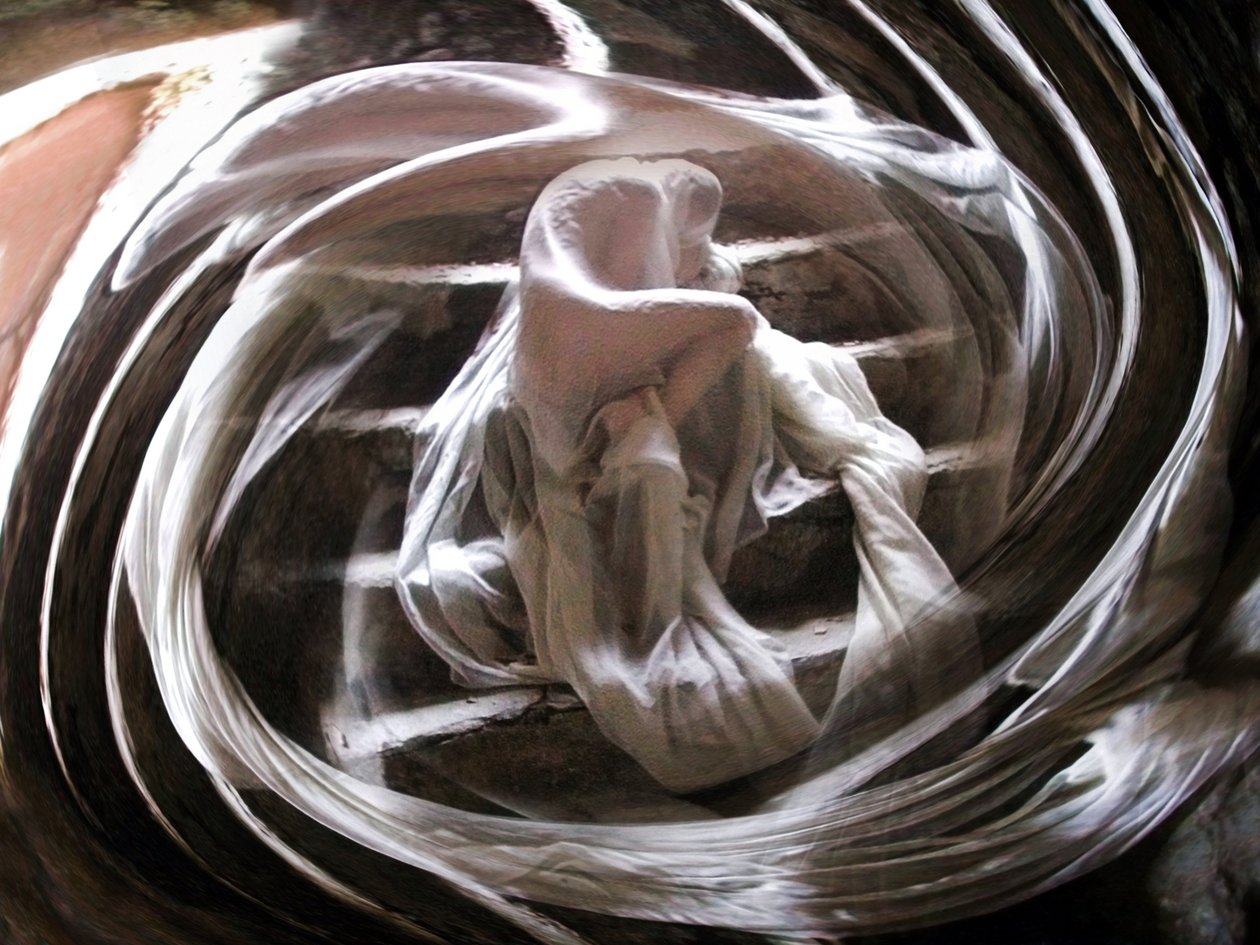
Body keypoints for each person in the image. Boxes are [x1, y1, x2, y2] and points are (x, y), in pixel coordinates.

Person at [397, 156, 961, 792]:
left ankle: (627, 445)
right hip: (581, 343)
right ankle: (632, 445)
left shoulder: (602, 197)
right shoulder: (636, 197)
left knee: (707, 349)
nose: (692, 262)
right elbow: (663, 297)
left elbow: (648, 284)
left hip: (560, 354)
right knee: (733, 326)